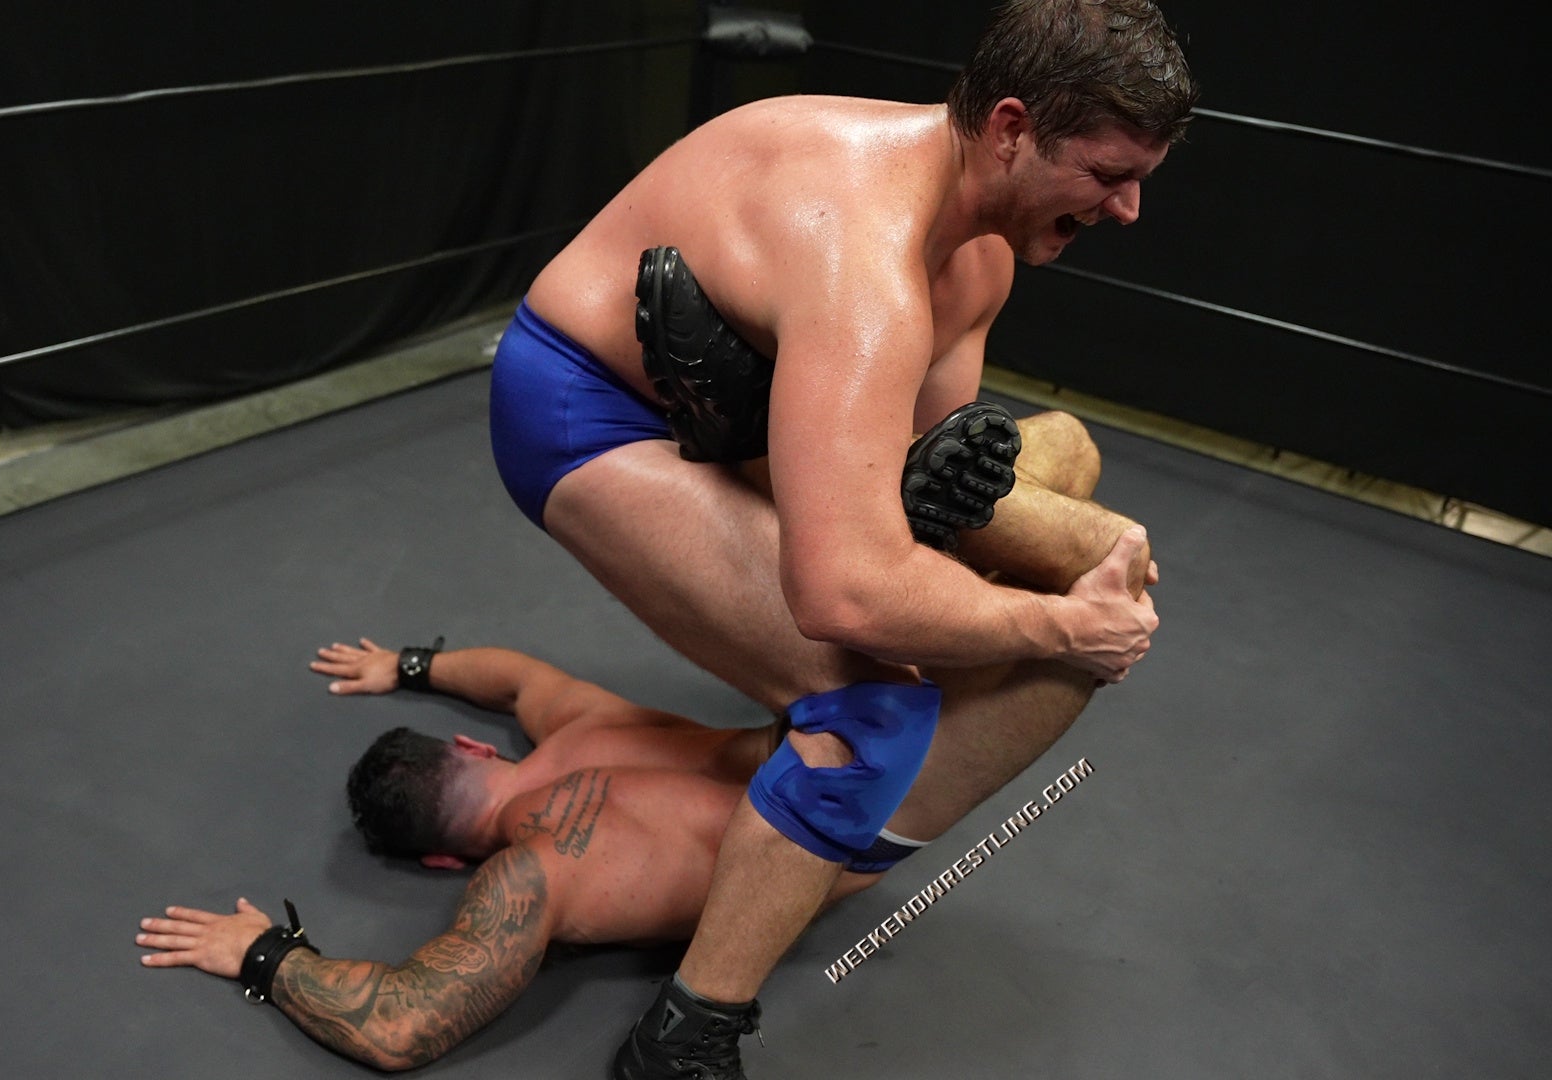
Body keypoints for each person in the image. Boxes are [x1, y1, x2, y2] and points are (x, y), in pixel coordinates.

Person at [485, 0, 1197, 1074]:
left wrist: (989, 564)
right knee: (872, 709)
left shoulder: (978, 262)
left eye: (1140, 178)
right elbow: (844, 595)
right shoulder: (865, 259)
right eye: (1107, 175)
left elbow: (921, 524)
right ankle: (683, 1040)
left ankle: (760, 425)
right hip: (585, 403)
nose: (1129, 209)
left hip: (755, 388)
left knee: (1051, 474)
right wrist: (1059, 627)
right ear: (1011, 129)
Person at [135, 620, 1102, 1070]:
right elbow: (514, 676)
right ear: (470, 749)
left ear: (440, 860)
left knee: (1086, 652)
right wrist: (409, 664)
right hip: (851, 703)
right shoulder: (577, 725)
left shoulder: (527, 878)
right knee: (1065, 521)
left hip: (851, 812)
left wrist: (264, 956)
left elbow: (397, 1024)